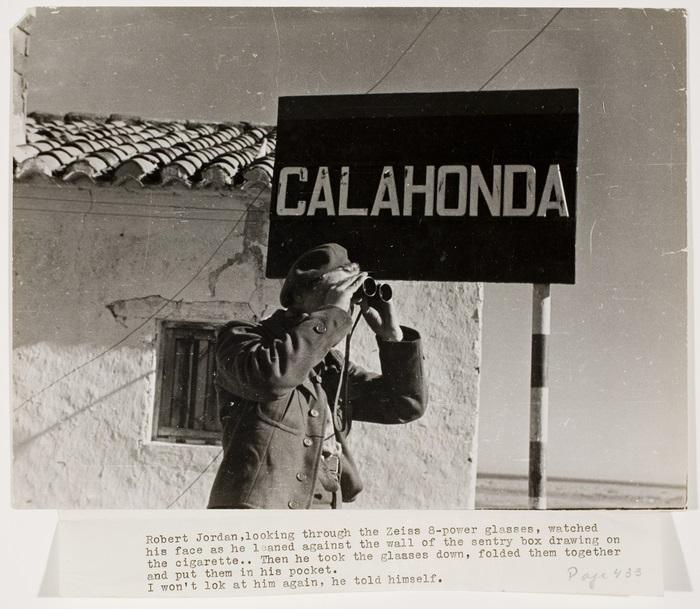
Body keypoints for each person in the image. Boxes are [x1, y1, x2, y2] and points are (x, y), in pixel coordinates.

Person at [207, 243, 427, 509]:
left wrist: (391, 337)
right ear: (300, 295)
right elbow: (272, 378)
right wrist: (331, 316)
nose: (346, 306)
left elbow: (405, 404)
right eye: (337, 293)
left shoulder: (330, 366)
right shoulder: (243, 339)